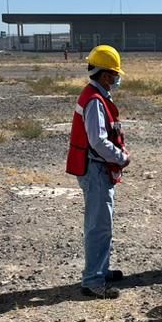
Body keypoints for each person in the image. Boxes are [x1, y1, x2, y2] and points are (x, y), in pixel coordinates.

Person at [66, 45, 130, 298]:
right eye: (114, 74)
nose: (117, 78)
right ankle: (93, 280)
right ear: (104, 75)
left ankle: (100, 270)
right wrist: (121, 157)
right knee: (99, 226)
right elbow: (98, 141)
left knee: (102, 223)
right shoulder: (94, 100)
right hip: (96, 170)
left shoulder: (95, 95)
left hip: (96, 169)